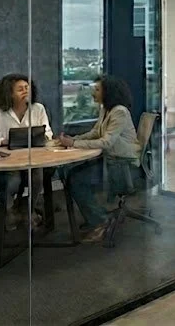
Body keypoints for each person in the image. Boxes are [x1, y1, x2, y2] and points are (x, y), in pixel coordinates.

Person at [57, 75, 141, 243]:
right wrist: (73, 139)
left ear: (108, 92)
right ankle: (96, 216)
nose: (93, 93)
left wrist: (74, 143)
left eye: (97, 89)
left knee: (76, 180)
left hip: (122, 165)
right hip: (111, 160)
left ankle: (100, 221)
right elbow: (96, 132)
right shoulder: (107, 109)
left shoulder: (119, 111)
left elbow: (106, 142)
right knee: (73, 174)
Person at [0, 74, 53, 227]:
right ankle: (8, 211)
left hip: (33, 157)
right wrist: (5, 141)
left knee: (37, 174)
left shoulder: (38, 108)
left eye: (27, 88)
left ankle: (29, 210)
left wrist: (40, 137)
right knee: (13, 180)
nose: (25, 91)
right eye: (20, 89)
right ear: (8, 93)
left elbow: (48, 133)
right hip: (8, 159)